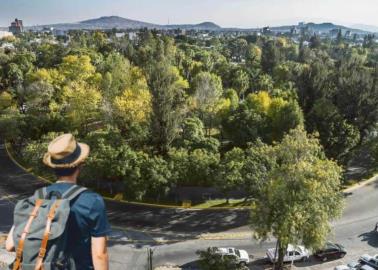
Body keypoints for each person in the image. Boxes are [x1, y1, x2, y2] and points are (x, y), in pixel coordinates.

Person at [6, 134, 111, 270]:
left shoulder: (37, 198)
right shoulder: (92, 201)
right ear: (80, 165)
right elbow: (99, 254)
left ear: (53, 167)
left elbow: (10, 244)